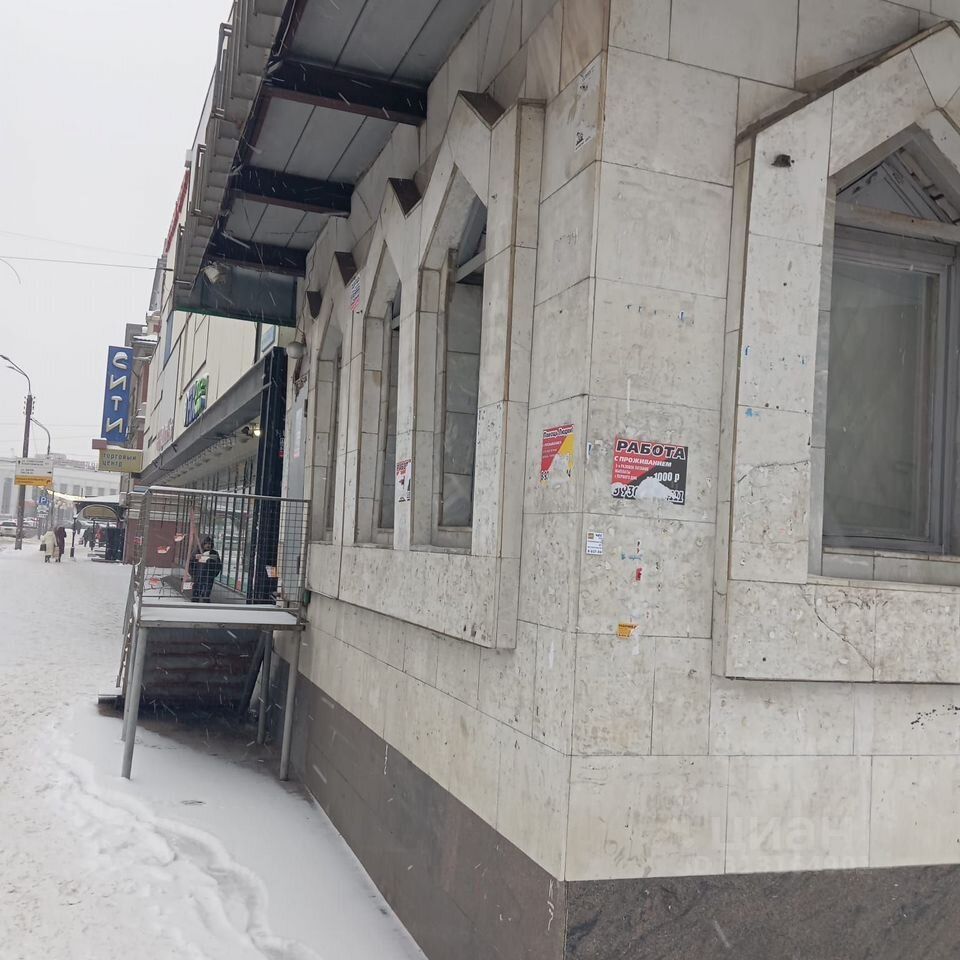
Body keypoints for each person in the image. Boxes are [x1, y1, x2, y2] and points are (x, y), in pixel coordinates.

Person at [188, 535, 222, 603]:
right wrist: (192, 573)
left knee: (206, 593)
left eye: (210, 544)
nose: (208, 545)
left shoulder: (214, 553)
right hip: (198, 575)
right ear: (203, 544)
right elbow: (191, 563)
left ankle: (205, 602)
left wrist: (214, 574)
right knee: (196, 593)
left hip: (209, 576)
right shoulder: (197, 551)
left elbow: (218, 565)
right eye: (206, 543)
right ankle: (195, 602)